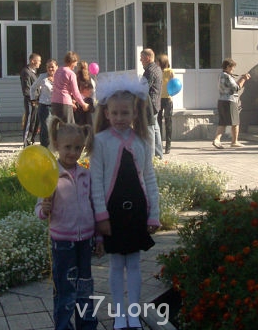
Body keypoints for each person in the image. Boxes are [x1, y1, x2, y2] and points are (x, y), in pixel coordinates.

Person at [90, 75, 160, 330]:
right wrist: (101, 216)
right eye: (115, 113)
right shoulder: (100, 141)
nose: (120, 117)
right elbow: (97, 182)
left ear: (134, 113)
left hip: (137, 211)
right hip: (113, 213)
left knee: (134, 263)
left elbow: (149, 177)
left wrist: (154, 213)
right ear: (106, 113)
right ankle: (119, 314)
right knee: (117, 263)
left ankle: (133, 313)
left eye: (125, 113)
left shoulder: (142, 140)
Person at [35, 117, 101, 330]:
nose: (73, 152)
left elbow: (94, 205)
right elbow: (39, 208)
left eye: (77, 148)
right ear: (56, 145)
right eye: (67, 147)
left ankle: (87, 325)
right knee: (65, 288)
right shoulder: (51, 175)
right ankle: (63, 326)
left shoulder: (86, 175)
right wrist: (44, 210)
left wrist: (99, 237)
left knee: (85, 286)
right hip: (63, 243)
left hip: (86, 241)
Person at [212, 58, 250, 149]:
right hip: (230, 101)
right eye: (232, 67)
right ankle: (234, 141)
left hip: (221, 101)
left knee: (223, 122)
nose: (233, 69)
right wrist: (243, 79)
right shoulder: (227, 76)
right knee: (235, 122)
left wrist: (240, 79)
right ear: (228, 67)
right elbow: (236, 88)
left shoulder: (221, 75)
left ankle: (217, 140)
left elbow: (231, 86)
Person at [51, 51, 89, 124]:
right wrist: (83, 104)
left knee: (56, 126)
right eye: (76, 62)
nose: (76, 64)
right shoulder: (71, 74)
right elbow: (75, 92)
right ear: (72, 61)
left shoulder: (57, 71)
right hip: (64, 103)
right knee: (68, 126)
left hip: (54, 102)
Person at [140, 48, 163, 159]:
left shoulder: (150, 71)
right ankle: (159, 156)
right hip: (155, 103)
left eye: (142, 57)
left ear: (148, 58)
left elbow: (143, 88)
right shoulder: (157, 68)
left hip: (149, 105)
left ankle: (152, 158)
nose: (140, 60)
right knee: (155, 129)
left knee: (150, 131)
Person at [30, 59, 58, 148]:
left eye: (52, 67)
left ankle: (54, 146)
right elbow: (33, 88)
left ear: (57, 67)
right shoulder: (42, 77)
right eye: (48, 67)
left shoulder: (59, 77)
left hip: (56, 105)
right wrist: (33, 99)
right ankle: (44, 147)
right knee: (45, 127)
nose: (50, 69)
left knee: (55, 127)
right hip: (44, 105)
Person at [21, 53, 42, 146]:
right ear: (33, 61)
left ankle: (31, 140)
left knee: (35, 122)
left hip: (37, 101)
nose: (40, 63)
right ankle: (26, 142)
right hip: (31, 102)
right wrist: (33, 100)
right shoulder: (26, 72)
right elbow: (27, 89)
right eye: (39, 61)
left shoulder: (33, 72)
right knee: (30, 121)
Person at [157, 54, 174, 155]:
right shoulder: (157, 71)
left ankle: (168, 145)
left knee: (168, 122)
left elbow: (174, 84)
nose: (156, 63)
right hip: (158, 99)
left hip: (168, 99)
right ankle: (159, 144)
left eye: (158, 62)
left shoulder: (170, 72)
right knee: (158, 122)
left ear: (162, 62)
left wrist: (172, 94)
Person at [73, 61, 96, 126]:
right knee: (88, 123)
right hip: (88, 102)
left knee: (79, 123)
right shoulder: (90, 80)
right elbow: (93, 92)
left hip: (78, 102)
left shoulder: (75, 78)